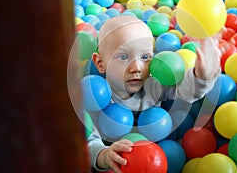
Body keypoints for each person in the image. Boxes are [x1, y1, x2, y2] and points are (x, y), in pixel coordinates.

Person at [88, 15, 223, 173]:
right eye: (123, 57)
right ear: (100, 63)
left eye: (145, 57)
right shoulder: (95, 99)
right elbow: (87, 142)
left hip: (161, 155)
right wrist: (104, 156)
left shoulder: (152, 85)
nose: (137, 67)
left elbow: (185, 91)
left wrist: (201, 76)